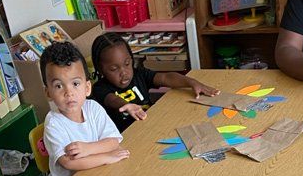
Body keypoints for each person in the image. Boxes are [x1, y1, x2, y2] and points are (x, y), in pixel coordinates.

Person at [40, 41, 128, 176]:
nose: (69, 93)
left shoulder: (93, 108)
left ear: (87, 87)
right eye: (59, 86)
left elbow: (113, 141)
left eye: (75, 84)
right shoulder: (53, 123)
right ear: (48, 93)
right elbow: (69, 162)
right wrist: (106, 157)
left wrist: (88, 149)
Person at [89, 33, 220, 132]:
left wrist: (192, 82)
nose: (124, 72)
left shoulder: (139, 74)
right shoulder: (99, 88)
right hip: (130, 135)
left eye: (127, 63)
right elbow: (111, 99)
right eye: (113, 69)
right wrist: (127, 105)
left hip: (151, 125)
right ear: (101, 69)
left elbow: (166, 78)